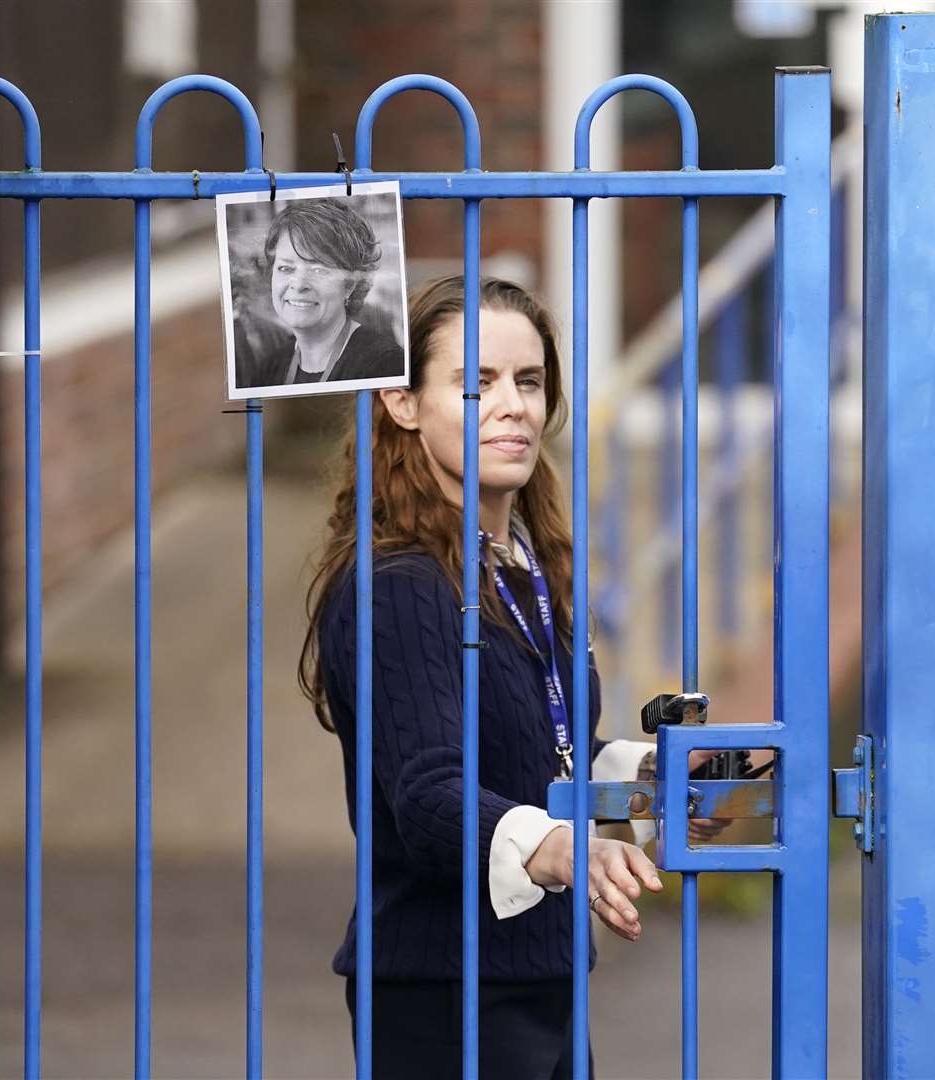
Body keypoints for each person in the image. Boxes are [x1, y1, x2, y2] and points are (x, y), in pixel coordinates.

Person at [298, 275, 721, 1078]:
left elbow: (544, 745)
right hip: (442, 992)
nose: (513, 405)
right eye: (475, 383)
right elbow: (427, 795)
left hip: (544, 972)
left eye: (529, 381)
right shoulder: (402, 581)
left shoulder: (526, 566)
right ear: (402, 402)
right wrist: (566, 849)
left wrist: (648, 781)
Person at [239, 198, 403, 389]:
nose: (299, 285)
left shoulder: (384, 365)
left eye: (318, 270)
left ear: (350, 285)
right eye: (285, 268)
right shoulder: (270, 368)